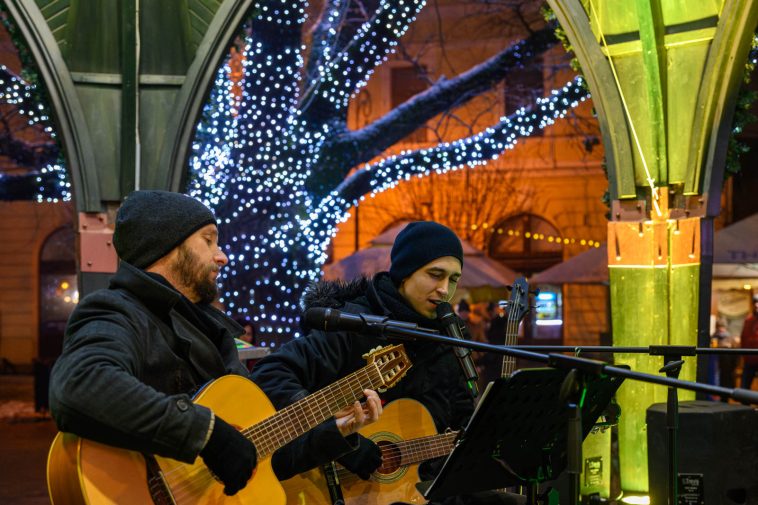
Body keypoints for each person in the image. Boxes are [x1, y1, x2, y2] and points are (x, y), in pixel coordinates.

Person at [48, 191, 378, 497]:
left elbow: (255, 457)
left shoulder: (209, 329)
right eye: (208, 241)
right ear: (166, 247)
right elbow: (80, 383)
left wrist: (336, 431)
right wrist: (206, 433)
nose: (222, 257)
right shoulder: (118, 309)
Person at [252, 221, 518, 504]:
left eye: (453, 279)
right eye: (435, 274)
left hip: (419, 486)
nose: (444, 289)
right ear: (404, 273)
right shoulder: (356, 323)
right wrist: (340, 440)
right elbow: (271, 374)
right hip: (333, 489)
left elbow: (461, 422)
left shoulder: (449, 337)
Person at [740, 295, 758, 390]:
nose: (756, 305)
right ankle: (744, 403)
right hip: (750, 359)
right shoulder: (748, 320)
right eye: (755, 302)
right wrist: (745, 356)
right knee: (745, 386)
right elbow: (743, 338)